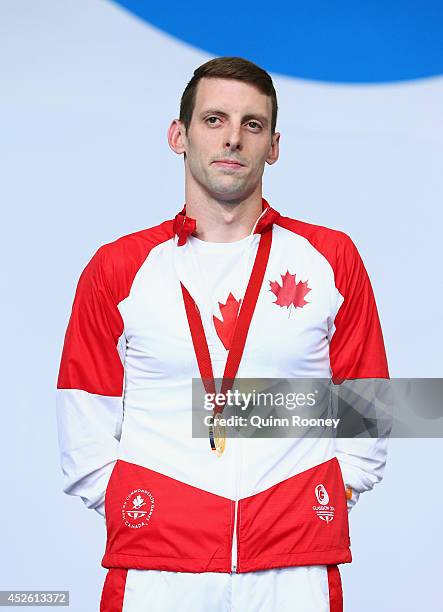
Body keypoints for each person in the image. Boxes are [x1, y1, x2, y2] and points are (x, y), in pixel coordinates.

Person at [56, 57, 389, 612]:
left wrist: (325, 498)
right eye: (214, 119)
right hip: (158, 569)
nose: (233, 138)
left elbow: (370, 402)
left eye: (252, 124)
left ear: (273, 145)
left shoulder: (331, 258)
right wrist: (147, 512)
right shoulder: (118, 268)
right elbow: (83, 418)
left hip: (294, 566)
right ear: (178, 135)